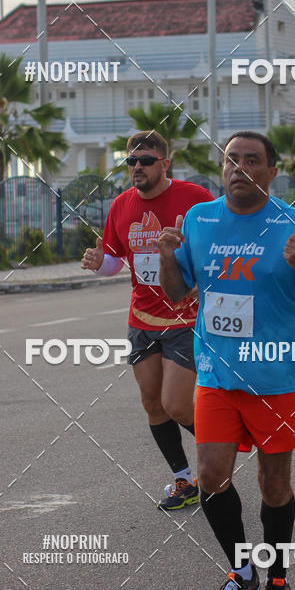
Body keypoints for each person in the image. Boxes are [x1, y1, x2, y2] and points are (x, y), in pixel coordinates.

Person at [157, 131, 295, 590]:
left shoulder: (294, 223)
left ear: (271, 171)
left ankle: (278, 575)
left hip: (278, 377)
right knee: (213, 477)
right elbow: (179, 294)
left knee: (273, 482)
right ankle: (242, 571)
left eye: (251, 160)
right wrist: (166, 258)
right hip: (216, 374)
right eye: (231, 160)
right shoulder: (199, 219)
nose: (239, 167)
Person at [81, 131, 213, 510]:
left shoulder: (195, 199)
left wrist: (203, 283)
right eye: (131, 161)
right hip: (142, 320)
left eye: (146, 160)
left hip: (185, 321)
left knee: (177, 405)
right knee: (152, 404)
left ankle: (218, 456)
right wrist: (96, 264)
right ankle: (184, 480)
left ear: (164, 164)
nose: (137, 167)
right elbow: (114, 261)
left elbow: (216, 246)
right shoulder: (121, 205)